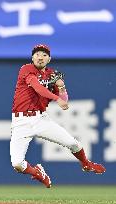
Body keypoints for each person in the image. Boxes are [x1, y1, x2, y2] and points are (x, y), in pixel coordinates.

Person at [10, 44, 106, 188]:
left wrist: (61, 87)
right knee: (17, 164)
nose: (40, 57)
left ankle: (86, 164)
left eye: (44, 55)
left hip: (41, 119)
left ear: (49, 59)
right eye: (37, 54)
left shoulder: (51, 75)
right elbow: (37, 87)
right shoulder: (26, 69)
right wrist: (57, 99)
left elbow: (64, 101)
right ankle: (37, 173)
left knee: (73, 144)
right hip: (20, 122)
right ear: (32, 57)